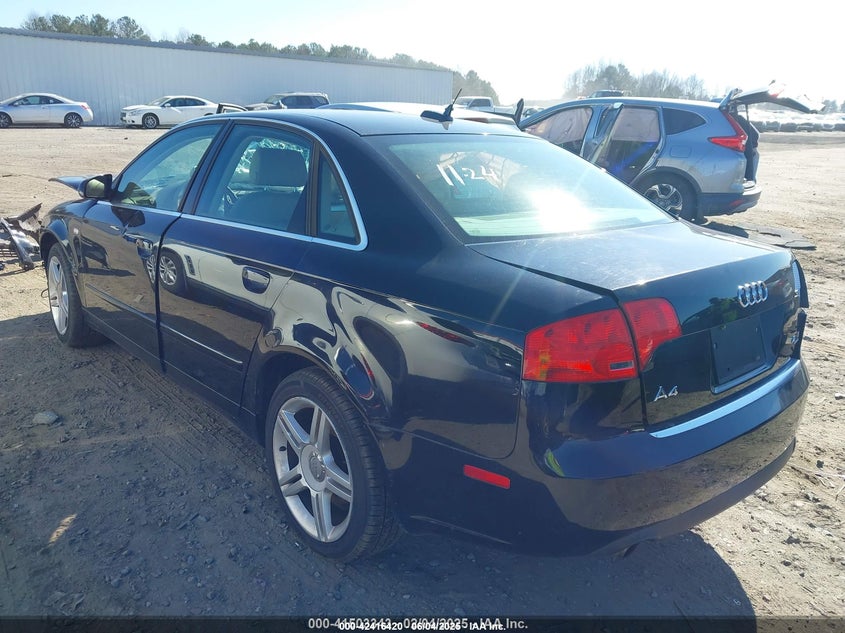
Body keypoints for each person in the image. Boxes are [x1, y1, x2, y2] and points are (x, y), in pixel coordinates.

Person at [733, 108, 760, 182]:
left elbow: (755, 134)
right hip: (747, 152)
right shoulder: (736, 118)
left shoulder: (727, 119)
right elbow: (756, 134)